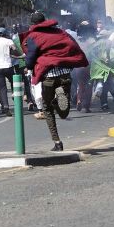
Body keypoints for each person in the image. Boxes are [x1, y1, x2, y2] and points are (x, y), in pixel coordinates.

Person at [23, 12, 89, 151]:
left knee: (47, 109)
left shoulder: (33, 36)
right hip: (65, 74)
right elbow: (73, 47)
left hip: (48, 76)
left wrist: (29, 65)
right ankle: (58, 99)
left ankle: (57, 142)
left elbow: (30, 58)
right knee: (64, 113)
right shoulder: (61, 32)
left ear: (33, 24)